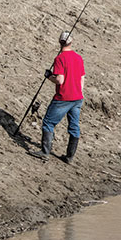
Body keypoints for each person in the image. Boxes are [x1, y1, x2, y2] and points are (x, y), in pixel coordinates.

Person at [28, 31, 85, 163]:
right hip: (77, 98)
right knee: (74, 126)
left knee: (48, 122)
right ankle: (70, 156)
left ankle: (45, 151)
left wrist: (49, 76)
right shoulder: (78, 57)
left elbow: (60, 80)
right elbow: (82, 78)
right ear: (71, 42)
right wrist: (78, 93)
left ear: (60, 42)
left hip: (63, 97)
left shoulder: (60, 59)